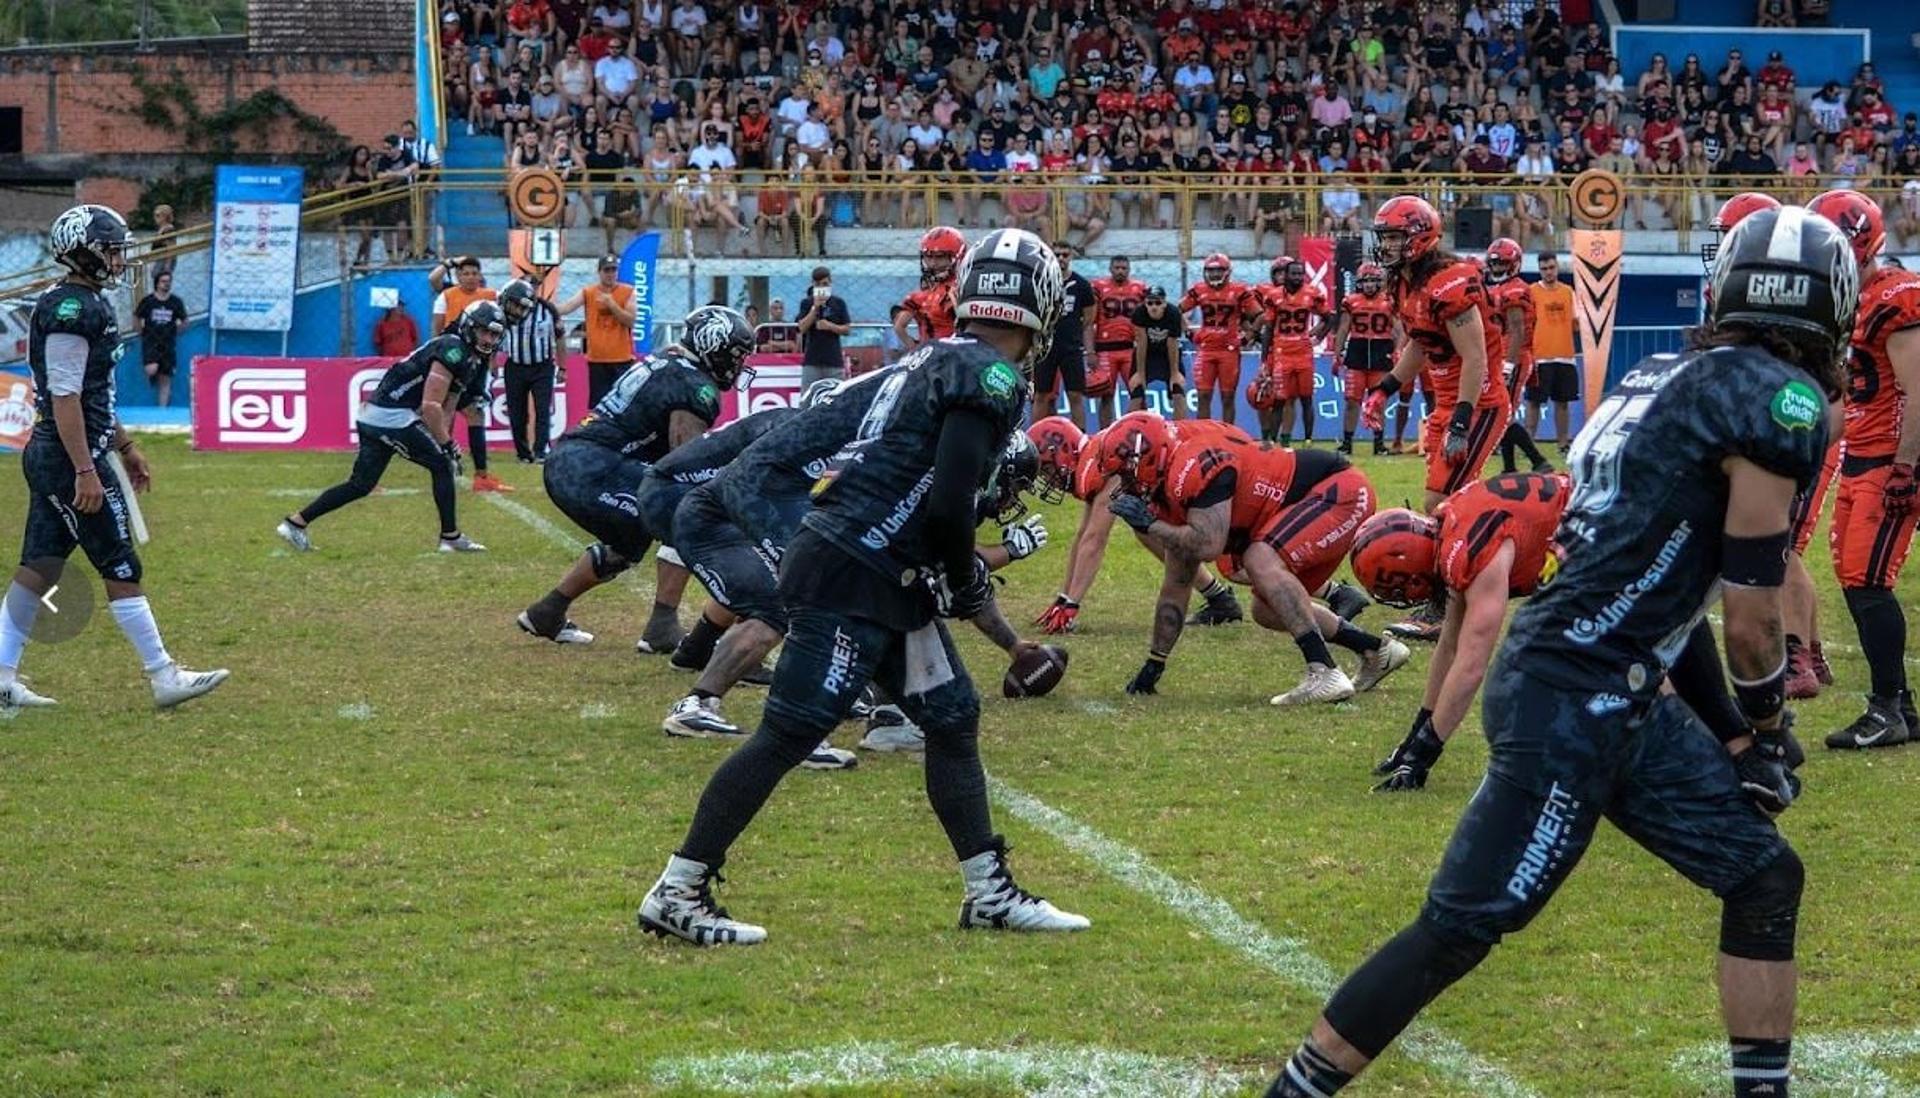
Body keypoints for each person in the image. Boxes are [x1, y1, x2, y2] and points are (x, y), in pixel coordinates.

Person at [1264, 203, 1853, 1098]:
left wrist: (1734, 737)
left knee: (1765, 876)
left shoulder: (1658, 374)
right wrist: (1768, 726)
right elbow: (1749, 615)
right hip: (1577, 696)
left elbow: (1671, 598)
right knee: (1458, 929)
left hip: (1612, 683)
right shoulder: (1777, 399)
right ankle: (1296, 1091)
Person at [637, 229, 1088, 947]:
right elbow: (946, 506)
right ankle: (679, 888)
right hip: (858, 566)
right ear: (1040, 301)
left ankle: (988, 891)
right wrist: (965, 573)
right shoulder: (991, 377)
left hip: (877, 562)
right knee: (789, 733)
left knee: (951, 716)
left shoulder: (935, 357)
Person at [1, 204, 229, 714]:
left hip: (65, 452)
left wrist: (125, 446)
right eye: (110, 249)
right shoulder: (73, 311)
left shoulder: (85, 302)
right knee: (121, 562)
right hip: (67, 457)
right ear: (81, 252)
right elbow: (64, 398)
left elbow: (91, 393)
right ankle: (163, 675)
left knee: (40, 568)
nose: (119, 259)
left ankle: (1, 677)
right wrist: (86, 468)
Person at [1096, 416, 1406, 704]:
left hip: (1337, 489)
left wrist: (1151, 527)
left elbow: (1208, 544)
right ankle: (1375, 650)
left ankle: (1324, 672)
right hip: (1301, 502)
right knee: (1266, 609)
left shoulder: (1193, 467)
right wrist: (1155, 662)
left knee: (1258, 559)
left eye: (1126, 472)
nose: (1124, 484)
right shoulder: (1169, 491)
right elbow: (1176, 585)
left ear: (1152, 458)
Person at [515, 305, 750, 652]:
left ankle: (546, 612)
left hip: (575, 460)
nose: (738, 364)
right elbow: (686, 463)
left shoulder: (670, 362)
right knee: (689, 506)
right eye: (735, 355)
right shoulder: (695, 386)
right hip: (593, 466)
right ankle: (665, 627)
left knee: (628, 545)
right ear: (712, 346)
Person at [1348, 472, 1570, 789]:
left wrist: (1422, 756)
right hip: (1596, 516)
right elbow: (1450, 645)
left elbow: (1471, 663)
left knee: (1553, 657)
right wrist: (1416, 735)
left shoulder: (1473, 551)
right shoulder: (1451, 524)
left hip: (1620, 527)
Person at [1359, 196, 1510, 644]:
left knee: (1440, 503)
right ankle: (1466, 587)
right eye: (1383, 237)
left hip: (1477, 401)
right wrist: (1385, 387)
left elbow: (1476, 357)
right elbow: (1421, 344)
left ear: (1419, 237)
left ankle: (1448, 604)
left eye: (1392, 237)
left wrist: (1462, 421)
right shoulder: (1405, 283)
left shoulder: (1450, 281)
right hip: (1447, 403)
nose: (1384, 246)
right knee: (1446, 502)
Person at [1805, 189, 1920, 749]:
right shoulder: (1847, 302)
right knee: (1855, 580)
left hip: (1893, 461)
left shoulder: (1896, 296)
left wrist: (1907, 466)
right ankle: (1903, 708)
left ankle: (1887, 709)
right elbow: (1851, 400)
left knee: (1868, 581)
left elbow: (1919, 387)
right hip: (1861, 457)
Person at [278, 301, 503, 554]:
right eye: (484, 331)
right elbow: (430, 406)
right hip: (392, 416)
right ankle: (450, 537)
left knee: (360, 485)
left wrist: (444, 440)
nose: (488, 339)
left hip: (376, 415)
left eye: (494, 334)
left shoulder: (468, 356)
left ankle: (295, 523)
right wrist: (446, 445)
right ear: (469, 326)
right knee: (441, 465)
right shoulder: (454, 349)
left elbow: (447, 407)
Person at [1033, 413, 1247, 636]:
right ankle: (1220, 599)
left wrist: (1071, 605)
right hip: (1207, 456)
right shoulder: (1096, 459)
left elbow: (1095, 540)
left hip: (1221, 456)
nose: (1049, 480)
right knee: (1147, 529)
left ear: (1065, 452)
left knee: (1237, 558)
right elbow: (1083, 535)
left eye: (1047, 470)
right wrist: (1063, 598)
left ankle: (1257, 591)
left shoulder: (1110, 461)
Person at [428, 255, 513, 493]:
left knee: (474, 412)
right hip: (453, 361)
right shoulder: (448, 295)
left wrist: (494, 359)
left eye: (474, 273)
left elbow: (496, 331)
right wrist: (450, 262)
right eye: (465, 273)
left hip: (478, 364)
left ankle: (479, 475)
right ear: (458, 276)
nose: (470, 277)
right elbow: (437, 327)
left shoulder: (490, 296)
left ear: (480, 275)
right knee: (449, 414)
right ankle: (446, 466)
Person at [1484, 239, 1554, 474]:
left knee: (1501, 412)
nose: (1496, 268)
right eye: (1493, 264)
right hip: (1501, 355)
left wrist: (1508, 365)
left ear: (1513, 264)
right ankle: (1510, 467)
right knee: (1502, 412)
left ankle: (1538, 460)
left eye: (1501, 263)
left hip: (1514, 355)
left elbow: (1517, 329)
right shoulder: (1498, 288)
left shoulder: (1515, 289)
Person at [1249, 256, 1329, 446]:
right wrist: (1260, 353)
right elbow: (1262, 323)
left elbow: (1328, 317)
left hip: (1301, 352)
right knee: (1272, 397)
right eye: (1280, 272)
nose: (1296, 277)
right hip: (1278, 352)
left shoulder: (1311, 293)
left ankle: (1297, 440)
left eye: (1300, 273)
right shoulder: (1270, 294)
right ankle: (1268, 438)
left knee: (1302, 398)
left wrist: (1317, 335)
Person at [1180, 253, 1258, 427]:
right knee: (1203, 396)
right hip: (1206, 349)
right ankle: (1204, 435)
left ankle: (1227, 436)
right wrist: (1188, 332)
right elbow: (1176, 310)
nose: (1215, 274)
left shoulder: (1239, 291)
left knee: (1228, 397)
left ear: (1227, 271)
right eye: (1211, 270)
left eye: (1219, 270)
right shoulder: (1199, 290)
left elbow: (1260, 315)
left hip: (1228, 350)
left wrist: (1247, 338)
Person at [1331, 262, 1398, 455]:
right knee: (1352, 402)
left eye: (1372, 281)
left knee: (1378, 402)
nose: (1368, 285)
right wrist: (1337, 353)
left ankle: (1378, 444)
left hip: (1381, 351)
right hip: (1357, 352)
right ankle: (1347, 442)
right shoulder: (1351, 301)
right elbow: (1344, 328)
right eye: (1365, 281)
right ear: (1359, 283)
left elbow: (1399, 329)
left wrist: (1398, 349)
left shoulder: (1389, 301)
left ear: (1379, 282)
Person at [557, 255, 637, 407]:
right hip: (597, 360)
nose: (610, 274)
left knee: (624, 405)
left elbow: (630, 320)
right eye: (607, 270)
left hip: (622, 360)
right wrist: (543, 306)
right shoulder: (589, 292)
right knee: (598, 406)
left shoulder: (628, 292)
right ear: (599, 272)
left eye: (613, 270)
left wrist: (611, 304)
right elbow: (566, 307)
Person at [1035, 239, 1099, 430]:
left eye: (1065, 254)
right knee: (1041, 395)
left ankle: (1079, 439)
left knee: (1075, 395)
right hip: (1044, 348)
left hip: (1071, 348)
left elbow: (1088, 321)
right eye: (1057, 255)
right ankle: (1034, 440)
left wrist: (1090, 352)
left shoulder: (1082, 285)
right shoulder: (1040, 282)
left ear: (1071, 256)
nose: (1061, 258)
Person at [497, 278, 562, 463]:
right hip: (515, 365)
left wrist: (563, 365)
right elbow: (495, 335)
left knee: (543, 409)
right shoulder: (506, 308)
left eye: (534, 286)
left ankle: (540, 451)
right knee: (517, 411)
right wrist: (492, 361)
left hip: (542, 366)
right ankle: (522, 453)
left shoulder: (547, 309)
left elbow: (560, 337)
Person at [1526, 251, 1579, 446]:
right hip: (1540, 357)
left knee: (1562, 403)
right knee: (1534, 402)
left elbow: (1577, 323)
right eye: (1544, 269)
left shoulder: (1568, 292)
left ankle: (1563, 443)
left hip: (1564, 355)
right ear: (1539, 270)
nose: (1548, 272)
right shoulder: (1531, 292)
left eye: (1551, 268)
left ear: (1557, 267)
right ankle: (1529, 443)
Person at [1089, 256, 1148, 411]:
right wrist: (1090, 352)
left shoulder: (1140, 288)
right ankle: (1104, 434)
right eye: (1117, 268)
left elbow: (1147, 320)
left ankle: (1141, 430)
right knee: (1106, 394)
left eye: (1124, 268)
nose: (1120, 271)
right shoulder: (1099, 287)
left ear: (1129, 270)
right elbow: (1089, 322)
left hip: (1130, 348)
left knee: (1138, 392)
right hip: (1105, 348)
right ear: (1110, 269)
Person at [895, 227, 964, 351]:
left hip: (946, 357)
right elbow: (899, 327)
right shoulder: (922, 295)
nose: (933, 263)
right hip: (947, 356)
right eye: (929, 257)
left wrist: (916, 351)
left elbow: (899, 327)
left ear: (956, 257)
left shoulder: (957, 290)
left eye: (940, 257)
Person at [1129, 287, 1187, 420]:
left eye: (1158, 303)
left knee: (1178, 389)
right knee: (1137, 390)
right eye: (1150, 303)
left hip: (1168, 354)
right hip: (1147, 354)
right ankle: (1131, 431)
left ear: (1165, 303)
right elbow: (1141, 343)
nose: (1154, 307)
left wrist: (1174, 373)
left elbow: (1172, 344)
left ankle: (1180, 430)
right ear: (1145, 303)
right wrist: (1140, 374)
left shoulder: (1173, 314)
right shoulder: (1139, 313)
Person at [132, 270, 185, 408]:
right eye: (163, 281)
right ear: (157, 283)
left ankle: (162, 410)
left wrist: (175, 332)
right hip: (151, 342)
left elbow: (184, 320)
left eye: (168, 282)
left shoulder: (175, 302)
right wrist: (141, 332)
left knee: (166, 378)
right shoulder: (148, 301)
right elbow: (137, 317)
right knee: (151, 369)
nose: (166, 284)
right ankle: (153, 377)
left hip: (168, 344)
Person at [796, 264, 851, 388]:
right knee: (807, 399)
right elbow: (801, 328)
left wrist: (830, 326)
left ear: (830, 283)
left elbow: (847, 329)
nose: (822, 288)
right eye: (818, 285)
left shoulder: (839, 303)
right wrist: (815, 308)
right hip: (812, 360)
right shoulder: (806, 303)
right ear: (813, 284)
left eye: (825, 284)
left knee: (836, 398)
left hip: (833, 360)